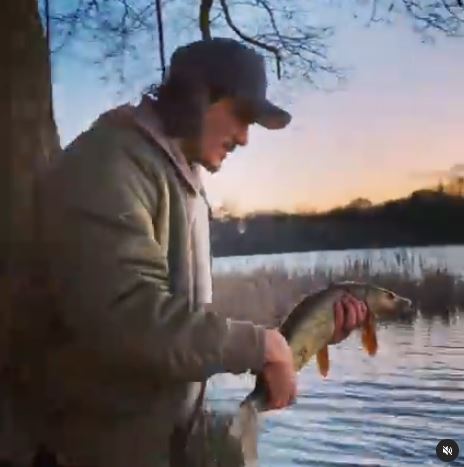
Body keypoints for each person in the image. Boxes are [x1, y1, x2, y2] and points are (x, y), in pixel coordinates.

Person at [1, 38, 368, 467]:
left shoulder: (180, 178)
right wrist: (260, 347)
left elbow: (180, 317)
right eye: (242, 116)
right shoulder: (107, 165)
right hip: (70, 451)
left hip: (150, 446)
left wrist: (299, 340)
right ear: (199, 97)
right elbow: (128, 317)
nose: (247, 139)